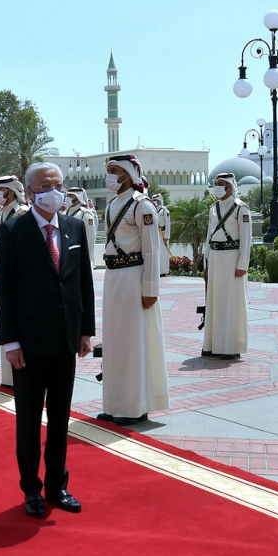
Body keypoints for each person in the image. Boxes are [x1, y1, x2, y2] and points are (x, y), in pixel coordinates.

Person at [0, 162, 95, 517]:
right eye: (46, 185)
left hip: (66, 340)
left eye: (59, 184)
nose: (54, 191)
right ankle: (31, 490)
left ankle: (57, 486)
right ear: (31, 189)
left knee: (60, 419)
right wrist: (10, 342)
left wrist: (86, 330)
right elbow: (3, 290)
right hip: (28, 344)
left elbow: (83, 282)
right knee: (28, 421)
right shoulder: (12, 231)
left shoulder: (74, 227)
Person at [98, 155, 169, 425]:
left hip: (133, 277)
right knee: (115, 341)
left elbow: (152, 249)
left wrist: (151, 289)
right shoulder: (112, 203)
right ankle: (115, 404)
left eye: (114, 170)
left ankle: (134, 407)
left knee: (132, 342)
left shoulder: (143, 205)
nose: (110, 175)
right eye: (108, 171)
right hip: (113, 276)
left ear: (128, 174)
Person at [201, 173, 251, 360]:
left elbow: (247, 238)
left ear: (230, 186)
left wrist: (243, 264)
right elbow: (209, 236)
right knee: (215, 303)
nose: (217, 187)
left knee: (231, 303)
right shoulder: (213, 208)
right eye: (215, 184)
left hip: (232, 259)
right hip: (215, 258)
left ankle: (231, 346)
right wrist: (206, 262)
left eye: (221, 184)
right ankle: (213, 344)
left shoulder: (241, 208)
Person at [0, 175, 32, 386]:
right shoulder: (3, 213)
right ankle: (8, 379)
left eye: (0, 189)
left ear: (11, 191)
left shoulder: (23, 213)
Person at [65, 187, 97, 267]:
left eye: (70, 195)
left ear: (78, 197)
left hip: (79, 256)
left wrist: (87, 258)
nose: (67, 198)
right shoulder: (64, 212)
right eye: (67, 195)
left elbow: (90, 237)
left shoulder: (85, 214)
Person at [152, 193, 171, 275]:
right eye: (154, 201)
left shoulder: (164, 210)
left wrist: (166, 236)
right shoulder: (151, 210)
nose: (155, 202)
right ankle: (156, 270)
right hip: (154, 233)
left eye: (157, 201)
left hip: (162, 234)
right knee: (155, 252)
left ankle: (163, 271)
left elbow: (168, 224)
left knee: (163, 253)